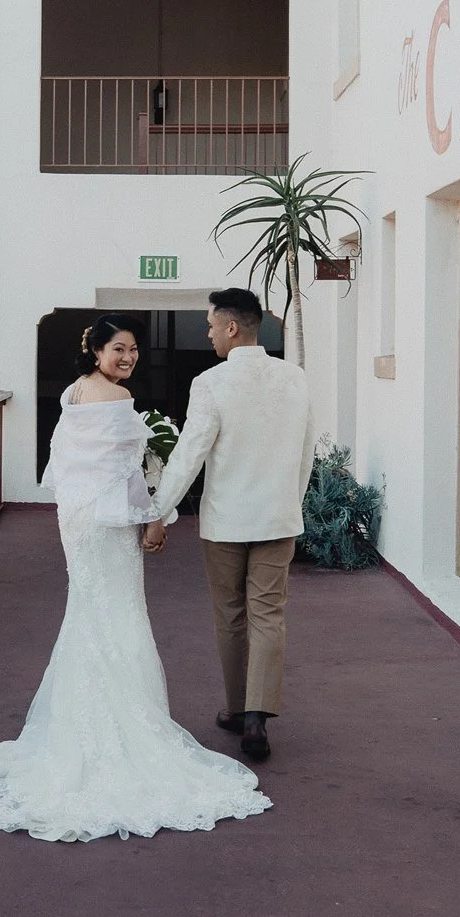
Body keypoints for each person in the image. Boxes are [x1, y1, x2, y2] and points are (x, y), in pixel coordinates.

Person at [0, 314, 270, 841]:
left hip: (78, 519)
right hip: (109, 523)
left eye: (133, 349)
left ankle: (77, 724)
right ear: (95, 350)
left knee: (88, 610)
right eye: (119, 349)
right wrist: (155, 518)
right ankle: (124, 725)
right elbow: (126, 473)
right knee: (121, 612)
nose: (128, 357)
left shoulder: (73, 393)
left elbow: (66, 461)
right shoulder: (117, 399)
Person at [143, 288, 316, 763]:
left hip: (226, 521)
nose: (209, 334)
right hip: (278, 517)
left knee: (231, 615)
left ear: (232, 328)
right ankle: (257, 717)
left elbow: (190, 454)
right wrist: (291, 503)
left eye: (211, 326)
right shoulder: (295, 379)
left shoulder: (210, 383)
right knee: (268, 614)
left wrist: (160, 512)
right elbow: (306, 451)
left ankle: (239, 709)